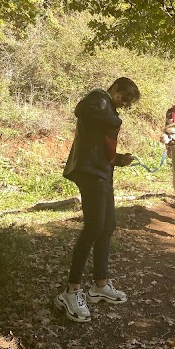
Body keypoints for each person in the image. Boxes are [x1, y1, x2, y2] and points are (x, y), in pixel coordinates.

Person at [55, 77, 141, 323]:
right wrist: (115, 118)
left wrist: (119, 159)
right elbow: (81, 110)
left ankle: (100, 285)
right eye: (123, 97)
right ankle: (71, 292)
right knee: (93, 227)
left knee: (107, 227)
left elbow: (101, 141)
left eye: (128, 103)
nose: (123, 104)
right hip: (90, 172)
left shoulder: (108, 107)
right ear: (115, 89)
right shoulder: (98, 98)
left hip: (103, 172)